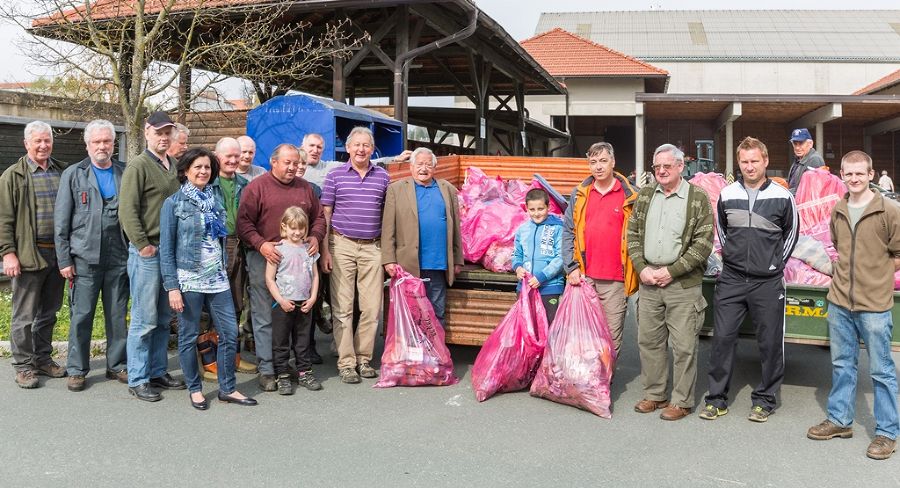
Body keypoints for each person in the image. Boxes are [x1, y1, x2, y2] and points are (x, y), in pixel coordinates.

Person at [806, 150, 899, 460]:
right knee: (842, 364)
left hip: (874, 304)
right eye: (849, 174)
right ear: (842, 176)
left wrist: (879, 276)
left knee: (882, 370)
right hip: (840, 301)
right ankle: (840, 420)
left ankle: (887, 432)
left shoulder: (889, 210)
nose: (855, 178)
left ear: (871, 175)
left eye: (861, 173)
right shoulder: (839, 210)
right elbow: (837, 246)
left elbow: (898, 253)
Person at [700, 136, 798, 422]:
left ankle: (765, 399)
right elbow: (723, 232)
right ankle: (717, 399)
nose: (750, 166)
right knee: (723, 339)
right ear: (738, 163)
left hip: (767, 282)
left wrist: (774, 264)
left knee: (769, 342)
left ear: (765, 161)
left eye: (755, 161)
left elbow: (792, 233)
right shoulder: (727, 194)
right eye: (744, 161)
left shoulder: (782, 196)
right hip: (731, 279)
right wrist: (734, 258)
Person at [160, 148, 257, 410]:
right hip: (189, 279)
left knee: (228, 332)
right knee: (189, 335)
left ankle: (228, 388)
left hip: (217, 278)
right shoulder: (173, 204)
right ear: (185, 171)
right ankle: (195, 389)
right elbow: (167, 249)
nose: (203, 171)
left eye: (206, 168)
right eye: (197, 167)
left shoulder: (214, 199)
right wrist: (172, 288)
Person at [627, 144, 714, 421]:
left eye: (667, 166)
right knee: (649, 342)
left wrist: (672, 271)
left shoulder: (697, 198)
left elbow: (703, 243)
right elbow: (632, 235)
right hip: (649, 281)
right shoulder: (644, 196)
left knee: (684, 345)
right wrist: (641, 268)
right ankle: (655, 394)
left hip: (682, 284)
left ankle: (682, 400)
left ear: (680, 166)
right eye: (657, 167)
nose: (661, 171)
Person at [237, 143, 325, 391]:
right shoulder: (257, 188)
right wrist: (261, 244)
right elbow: (243, 223)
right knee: (265, 316)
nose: (292, 167)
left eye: (296, 163)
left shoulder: (305, 188)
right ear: (273, 162)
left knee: (298, 319)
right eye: (287, 162)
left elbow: (319, 217)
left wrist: (316, 237)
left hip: (298, 260)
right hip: (266, 258)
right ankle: (268, 369)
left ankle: (298, 367)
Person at [54, 119, 128, 391]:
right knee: (82, 315)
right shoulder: (74, 174)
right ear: (87, 145)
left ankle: (117, 365)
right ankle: (77, 369)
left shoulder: (125, 172)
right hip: (84, 258)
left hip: (119, 255)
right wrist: (64, 260)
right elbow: (61, 221)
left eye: (106, 141)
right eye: (96, 142)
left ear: (113, 144)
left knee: (117, 314)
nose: (102, 146)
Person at [119, 111, 186, 402]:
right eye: (159, 132)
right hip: (148, 253)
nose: (163, 137)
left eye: (167, 132)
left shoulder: (172, 165)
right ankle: (138, 377)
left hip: (168, 251)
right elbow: (127, 210)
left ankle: (157, 371)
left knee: (161, 318)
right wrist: (143, 244)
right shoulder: (139, 166)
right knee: (144, 319)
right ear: (147, 132)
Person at [320, 126, 391, 384]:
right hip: (342, 245)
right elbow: (325, 214)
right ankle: (346, 362)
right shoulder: (335, 175)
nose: (361, 149)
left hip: (373, 247)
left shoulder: (383, 177)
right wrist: (325, 249)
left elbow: (388, 215)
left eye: (366, 145)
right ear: (348, 148)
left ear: (372, 149)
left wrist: (387, 252)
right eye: (357, 145)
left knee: (372, 308)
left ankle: (364, 358)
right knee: (343, 307)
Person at [0, 120, 67, 388]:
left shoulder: (62, 171)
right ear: (26, 143)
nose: (43, 145)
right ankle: (24, 366)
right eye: (37, 141)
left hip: (58, 254)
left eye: (47, 140)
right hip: (29, 253)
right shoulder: (12, 176)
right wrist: (8, 253)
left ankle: (42, 358)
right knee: (24, 315)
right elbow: (3, 219)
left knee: (49, 311)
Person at [562, 141, 639, 357]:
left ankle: (603, 383)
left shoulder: (631, 195)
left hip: (615, 280)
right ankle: (584, 383)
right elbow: (568, 231)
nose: (598, 166)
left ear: (613, 162)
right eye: (593, 162)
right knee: (581, 335)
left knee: (610, 338)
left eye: (603, 161)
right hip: (584, 277)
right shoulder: (579, 194)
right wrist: (571, 267)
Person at [382, 147, 463, 327]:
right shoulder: (396, 189)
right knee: (410, 314)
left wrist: (457, 259)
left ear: (435, 168)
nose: (423, 169)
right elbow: (388, 228)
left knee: (436, 312)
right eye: (419, 164)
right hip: (407, 264)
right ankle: (413, 353)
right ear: (411, 167)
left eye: (428, 164)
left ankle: (435, 353)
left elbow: (456, 226)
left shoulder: (447, 189)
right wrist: (388, 260)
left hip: (437, 263)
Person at [211, 137, 256, 374]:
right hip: (217, 246)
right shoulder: (208, 183)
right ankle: (210, 361)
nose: (232, 160)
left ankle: (233, 358)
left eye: (236, 156)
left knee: (237, 303)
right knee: (212, 305)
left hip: (240, 246)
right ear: (217, 156)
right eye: (227, 156)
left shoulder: (244, 184)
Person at [265, 207, 322, 395]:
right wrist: (280, 300)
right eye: (293, 228)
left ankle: (305, 372)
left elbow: (314, 276)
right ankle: (282, 375)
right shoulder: (277, 250)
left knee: (303, 340)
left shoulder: (309, 250)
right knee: (281, 341)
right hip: (283, 304)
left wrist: (313, 297)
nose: (297, 233)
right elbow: (269, 279)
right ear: (284, 227)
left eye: (301, 229)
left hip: (305, 303)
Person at [511, 188, 564, 324]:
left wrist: (542, 277)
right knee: (527, 328)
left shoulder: (558, 228)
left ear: (548, 207)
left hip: (550, 287)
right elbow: (517, 254)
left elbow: (561, 257)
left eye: (540, 209)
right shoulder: (522, 230)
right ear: (526, 209)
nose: (536, 213)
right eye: (532, 210)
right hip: (526, 287)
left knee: (549, 327)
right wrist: (518, 268)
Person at [786, 128, 825, 193]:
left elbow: (811, 189)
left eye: (801, 143)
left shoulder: (815, 159)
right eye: (795, 144)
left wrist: (786, 193)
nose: (797, 148)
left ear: (810, 144)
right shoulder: (798, 159)